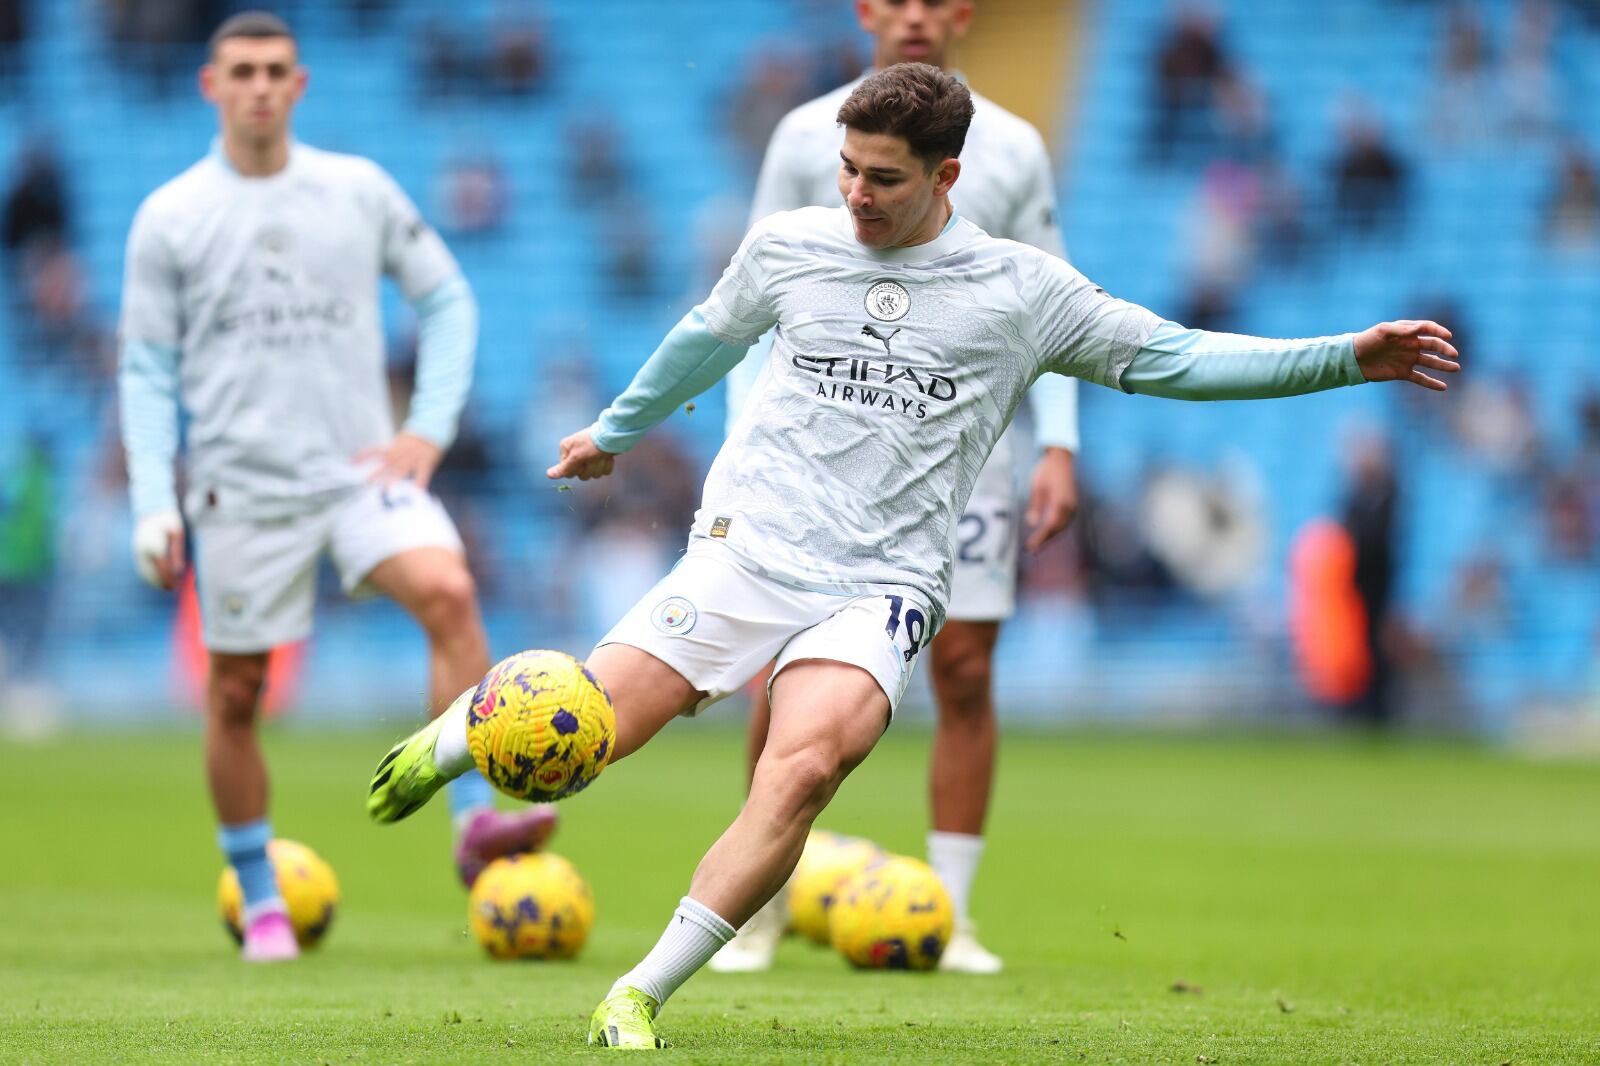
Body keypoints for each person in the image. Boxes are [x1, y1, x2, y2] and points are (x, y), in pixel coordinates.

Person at [366, 63, 1458, 1050]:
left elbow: (1174, 358)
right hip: (745, 552)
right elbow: (704, 336)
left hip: (878, 589)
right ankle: (459, 735)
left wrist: (1344, 358)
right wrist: (613, 429)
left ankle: (637, 995)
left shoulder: (1021, 291)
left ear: (947, 175)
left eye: (881, 177)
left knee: (800, 772)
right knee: (589, 737)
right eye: (846, 168)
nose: (854, 193)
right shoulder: (790, 245)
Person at [116, 11, 553, 965]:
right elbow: (144, 370)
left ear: (300, 85)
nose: (261, 86)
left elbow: (446, 298)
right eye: (243, 72)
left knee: (448, 591)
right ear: (211, 86)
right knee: (235, 693)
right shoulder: (171, 216)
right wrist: (154, 497)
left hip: (360, 471)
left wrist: (427, 429)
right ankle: (265, 901)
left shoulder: (356, 189)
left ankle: (472, 819)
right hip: (240, 486)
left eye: (277, 70)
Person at [715, 0, 1080, 976]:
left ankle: (951, 915)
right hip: (820, 452)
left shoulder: (1013, 147)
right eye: (897, 0)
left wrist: (1061, 443)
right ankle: (756, 909)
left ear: (961, 15)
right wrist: (741, 445)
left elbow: (1055, 297)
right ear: (868, 11)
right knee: (785, 670)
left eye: (934, 1)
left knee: (964, 671)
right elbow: (750, 301)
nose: (915, 15)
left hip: (960, 454)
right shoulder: (805, 135)